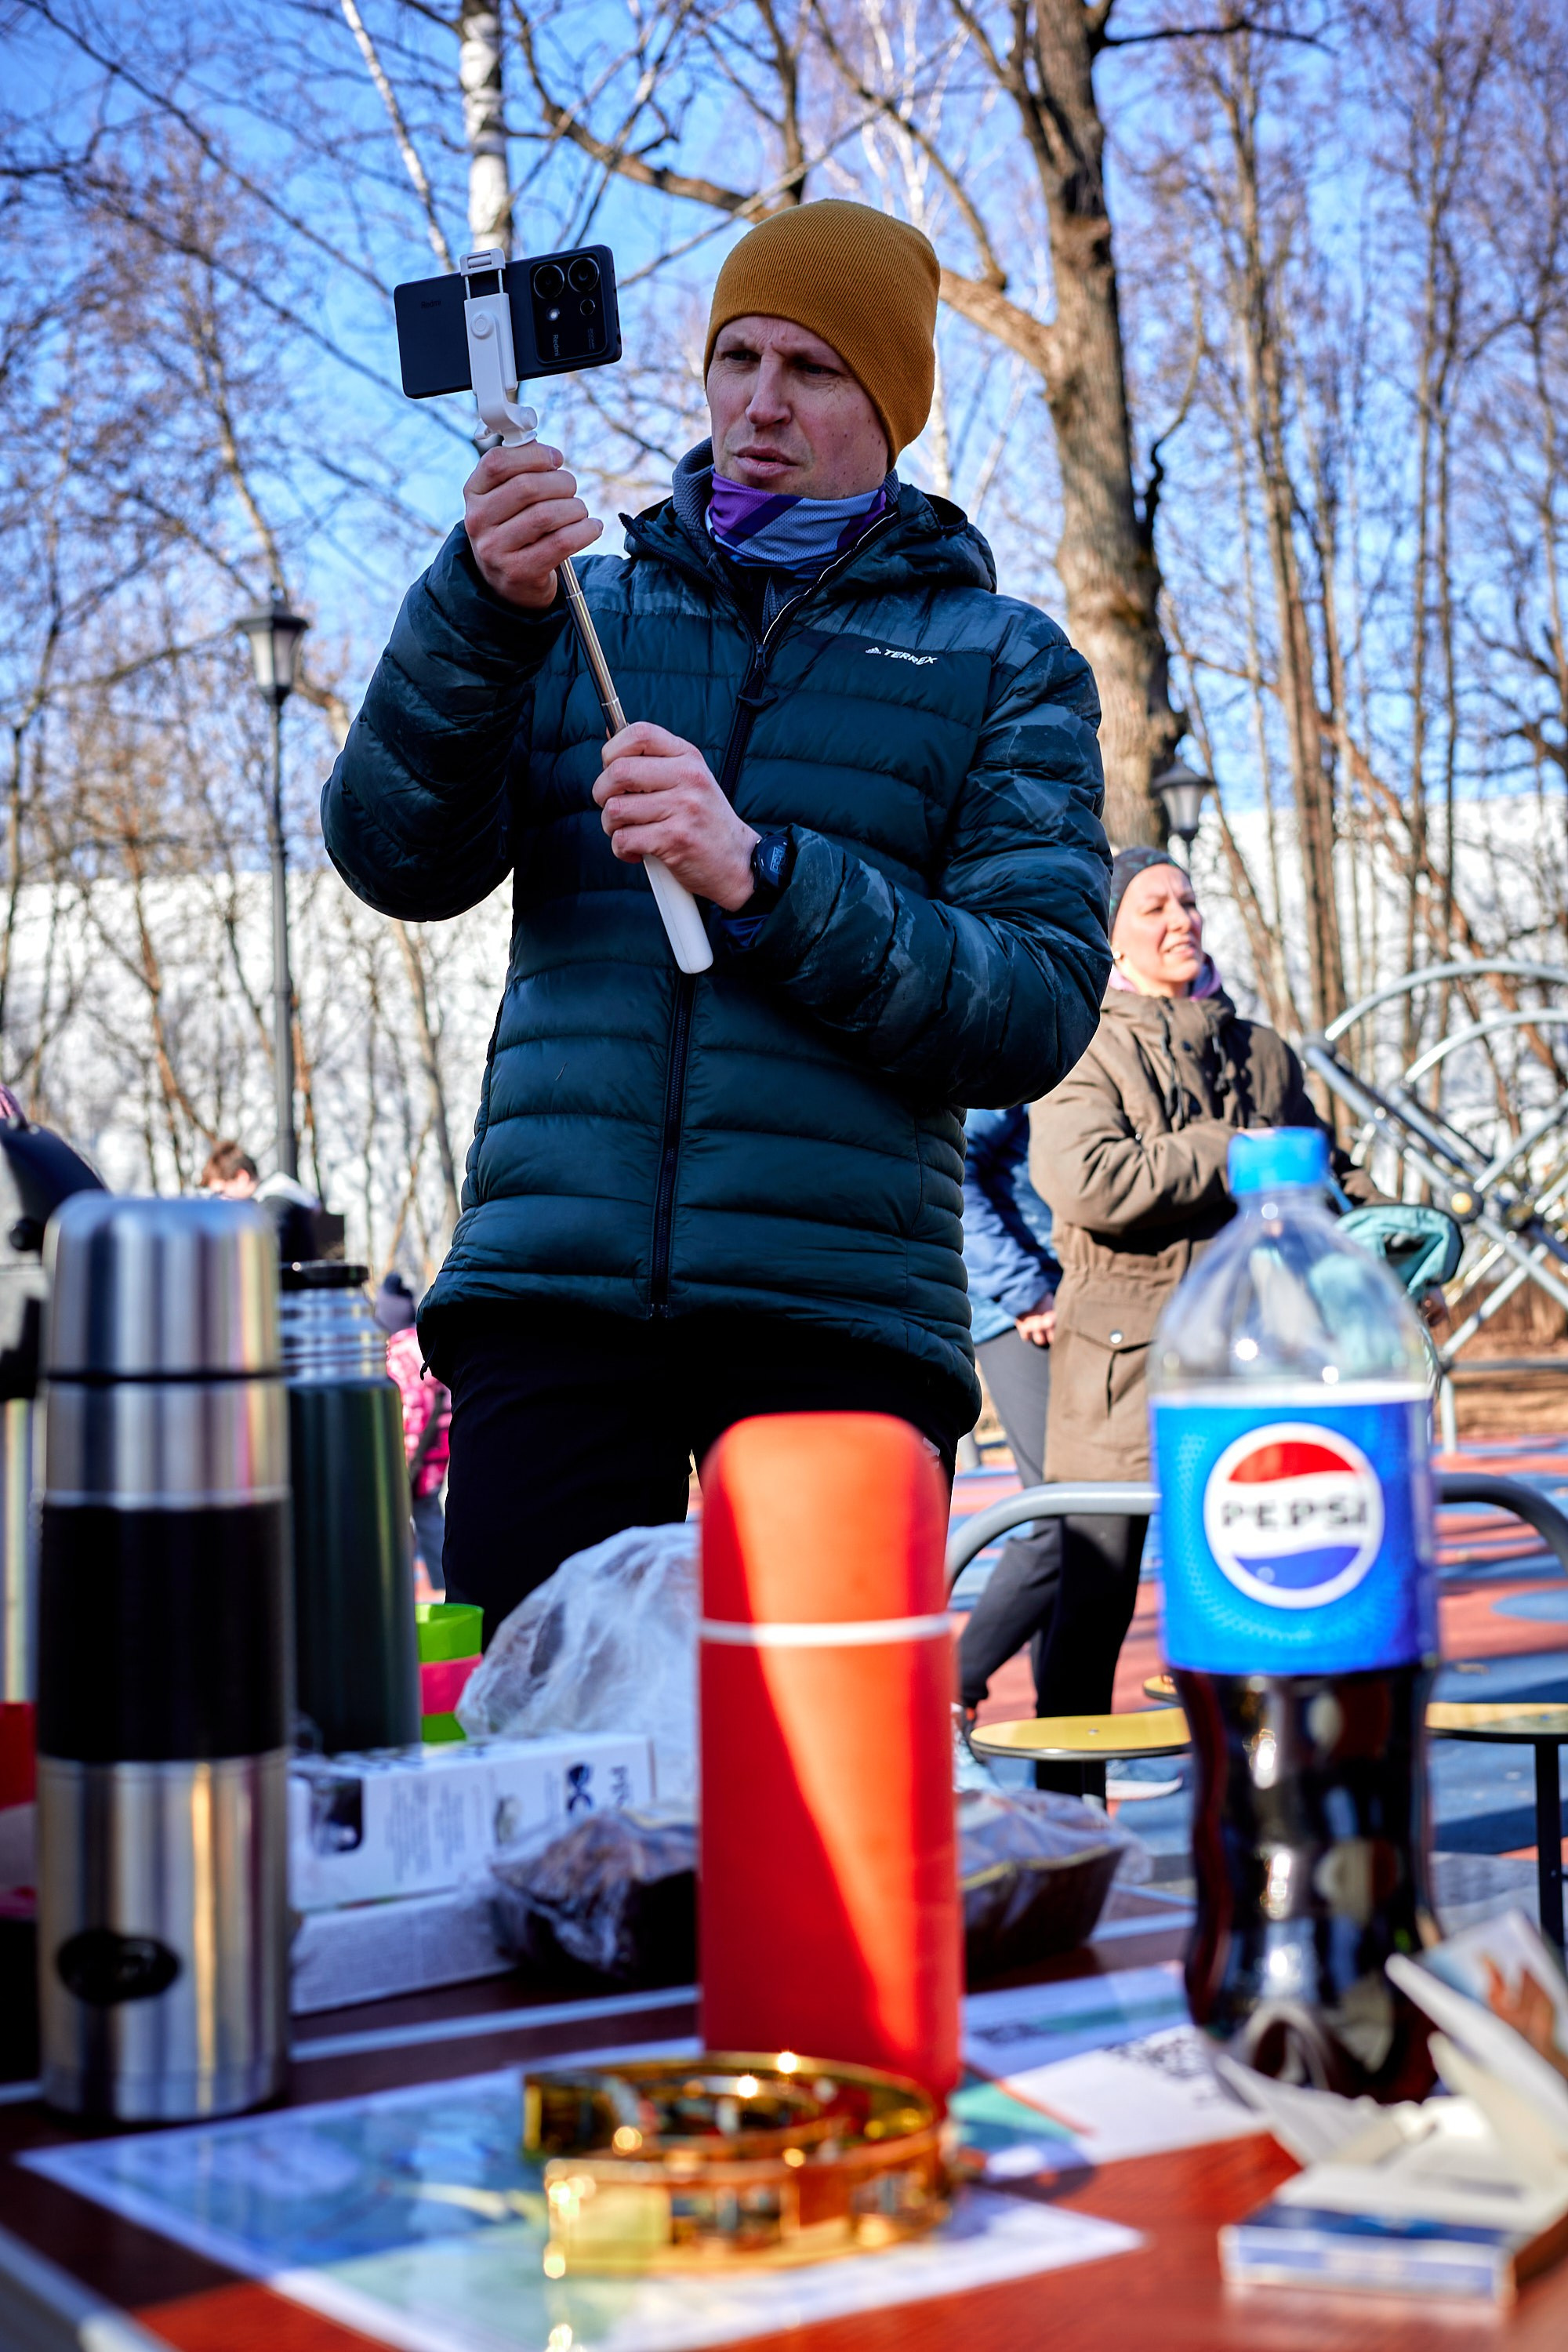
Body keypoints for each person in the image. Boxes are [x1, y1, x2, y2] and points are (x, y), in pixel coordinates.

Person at [322, 198, 1112, 1635]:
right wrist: (476, 610)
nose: (760, 402)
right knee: (533, 1779)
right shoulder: (575, 611)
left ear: (891, 404)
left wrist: (766, 875)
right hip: (551, 1298)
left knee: (818, 1792)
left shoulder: (1002, 661)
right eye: (736, 356)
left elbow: (1035, 1005)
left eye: (812, 369)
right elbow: (393, 857)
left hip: (838, 1318)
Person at [1028, 844, 1375, 1795]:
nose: (1180, 918)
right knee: (1091, 1606)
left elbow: (1328, 1174)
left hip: (1258, 1369)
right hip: (1122, 1373)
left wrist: (1381, 1233)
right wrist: (1226, 1151)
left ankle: (1267, 1799)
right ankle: (1067, 1817)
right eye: (1152, 908)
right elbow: (1086, 1181)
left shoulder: (1259, 1049)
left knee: (1259, 1591)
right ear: (1111, 937)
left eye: (1186, 900)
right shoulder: (1081, 1042)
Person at [955, 1107, 1064, 1717]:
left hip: (1072, 1298)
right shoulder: (1054, 1031)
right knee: (1063, 1509)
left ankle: (1070, 1722)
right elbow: (958, 1163)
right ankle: (950, 1690)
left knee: (1087, 1529)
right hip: (1023, 1311)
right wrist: (1025, 1287)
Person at [375, 1272, 451, 1594]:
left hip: (409, 1456)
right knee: (431, 1520)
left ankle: (396, 1592)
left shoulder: (395, 1356)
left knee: (393, 1525)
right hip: (437, 1453)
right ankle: (444, 1586)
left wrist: (402, 1457)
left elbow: (405, 1411)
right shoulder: (426, 1345)